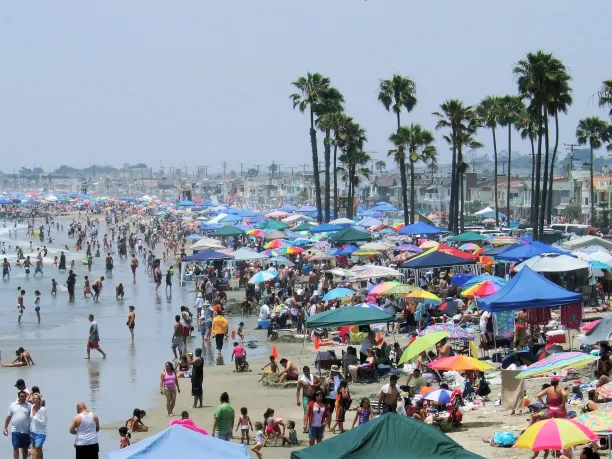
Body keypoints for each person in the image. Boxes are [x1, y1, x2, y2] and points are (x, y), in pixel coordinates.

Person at [3, 390, 31, 459]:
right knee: (16, 448)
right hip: (15, 431)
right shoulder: (12, 405)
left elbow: (34, 416)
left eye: (25, 396)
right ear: (18, 397)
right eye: (22, 396)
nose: (24, 397)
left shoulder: (29, 406)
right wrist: (5, 428)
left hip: (26, 431)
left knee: (25, 449)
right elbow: (8, 417)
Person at [297, 366, 320, 434]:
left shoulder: (313, 376)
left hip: (313, 396)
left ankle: (313, 425)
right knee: (306, 411)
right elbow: (298, 390)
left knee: (314, 411)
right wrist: (298, 399)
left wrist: (315, 386)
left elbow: (320, 382)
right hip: (306, 397)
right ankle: (305, 426)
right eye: (306, 371)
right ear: (303, 372)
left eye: (308, 371)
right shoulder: (301, 379)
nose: (307, 372)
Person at [322, 365, 343, 432]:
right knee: (329, 413)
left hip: (338, 397)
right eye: (332, 371)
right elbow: (324, 387)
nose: (333, 372)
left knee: (339, 412)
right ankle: (328, 427)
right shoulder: (328, 378)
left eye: (335, 371)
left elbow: (344, 386)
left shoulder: (341, 377)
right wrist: (323, 397)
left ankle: (340, 427)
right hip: (329, 397)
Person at [29, 392, 47, 459]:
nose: (35, 400)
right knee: (38, 450)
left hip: (41, 433)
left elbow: (44, 423)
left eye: (37, 398)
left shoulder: (43, 409)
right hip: (33, 432)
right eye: (34, 398)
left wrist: (36, 419)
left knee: (37, 448)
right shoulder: (31, 407)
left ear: (39, 400)